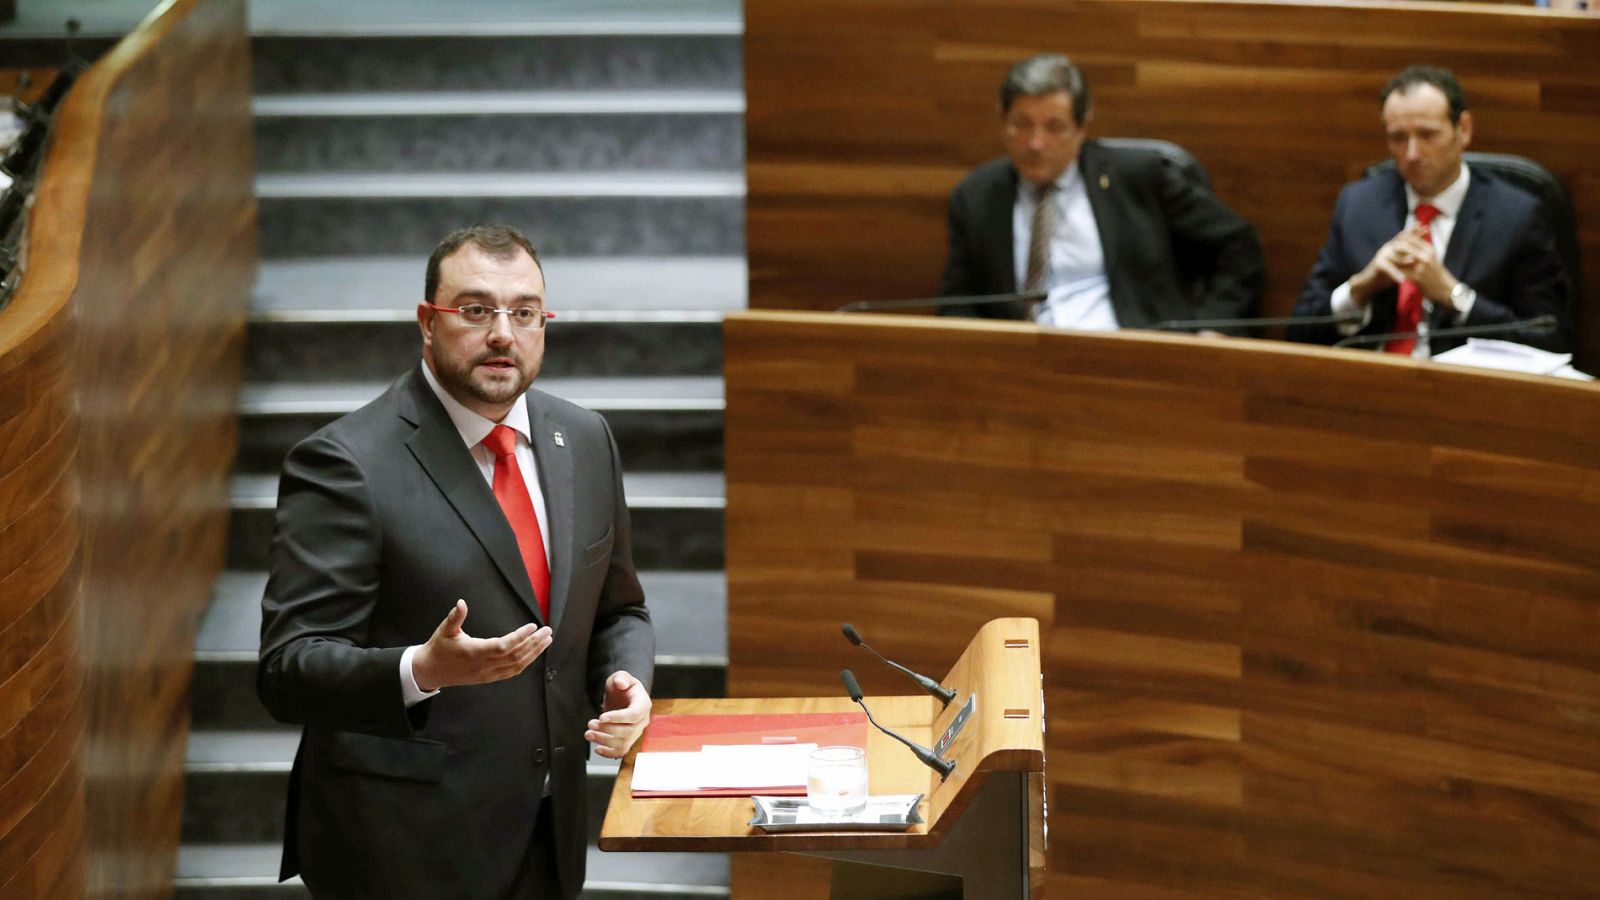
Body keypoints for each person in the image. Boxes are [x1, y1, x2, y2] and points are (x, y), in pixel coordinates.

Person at [257, 224, 654, 899]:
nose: (504, 333)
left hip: (547, 835)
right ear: (428, 323)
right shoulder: (347, 463)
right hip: (400, 849)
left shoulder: (584, 439)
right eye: (476, 311)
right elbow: (288, 669)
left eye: (524, 312)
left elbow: (621, 608)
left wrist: (628, 683)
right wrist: (420, 669)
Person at [938, 53, 1263, 331]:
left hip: (1131, 355)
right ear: (1002, 122)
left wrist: (1213, 328)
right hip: (1023, 368)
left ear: (1082, 128)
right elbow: (958, 303)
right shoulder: (976, 197)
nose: (1035, 143)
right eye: (1022, 124)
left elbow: (1238, 247)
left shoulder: (1139, 177)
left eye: (1054, 127)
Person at [1289, 65, 1569, 355]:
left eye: (1427, 135)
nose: (1412, 154)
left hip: (1464, 389)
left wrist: (1454, 295)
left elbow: (1549, 340)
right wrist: (1360, 288)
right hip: (1369, 382)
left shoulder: (1517, 216)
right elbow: (1299, 332)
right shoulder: (1359, 205)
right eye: (1398, 138)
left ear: (1463, 130)